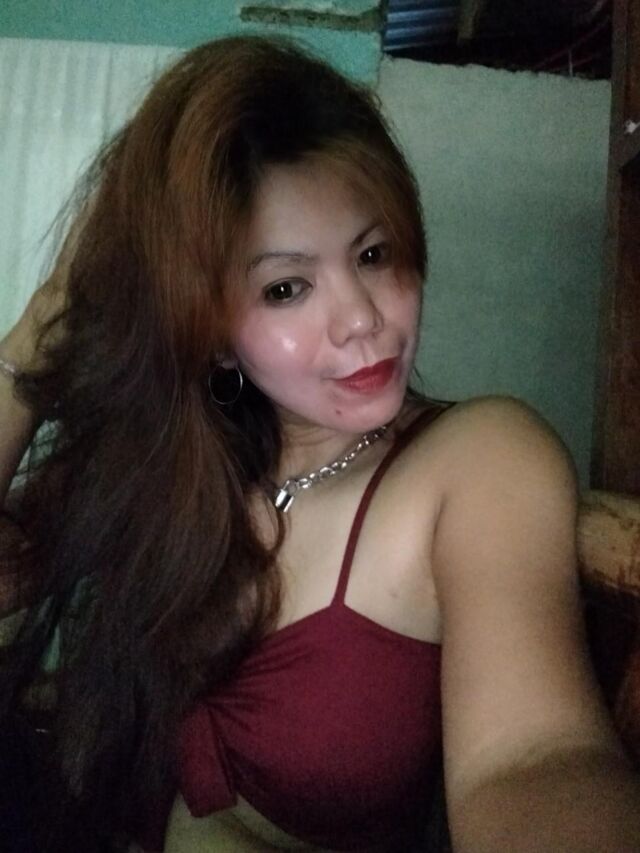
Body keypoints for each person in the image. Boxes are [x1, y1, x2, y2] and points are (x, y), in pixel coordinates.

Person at [0, 34, 639, 853]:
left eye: (374, 253)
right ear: (209, 328)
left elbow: (534, 756)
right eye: (286, 287)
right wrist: (39, 333)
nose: (362, 318)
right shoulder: (177, 467)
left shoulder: (478, 459)